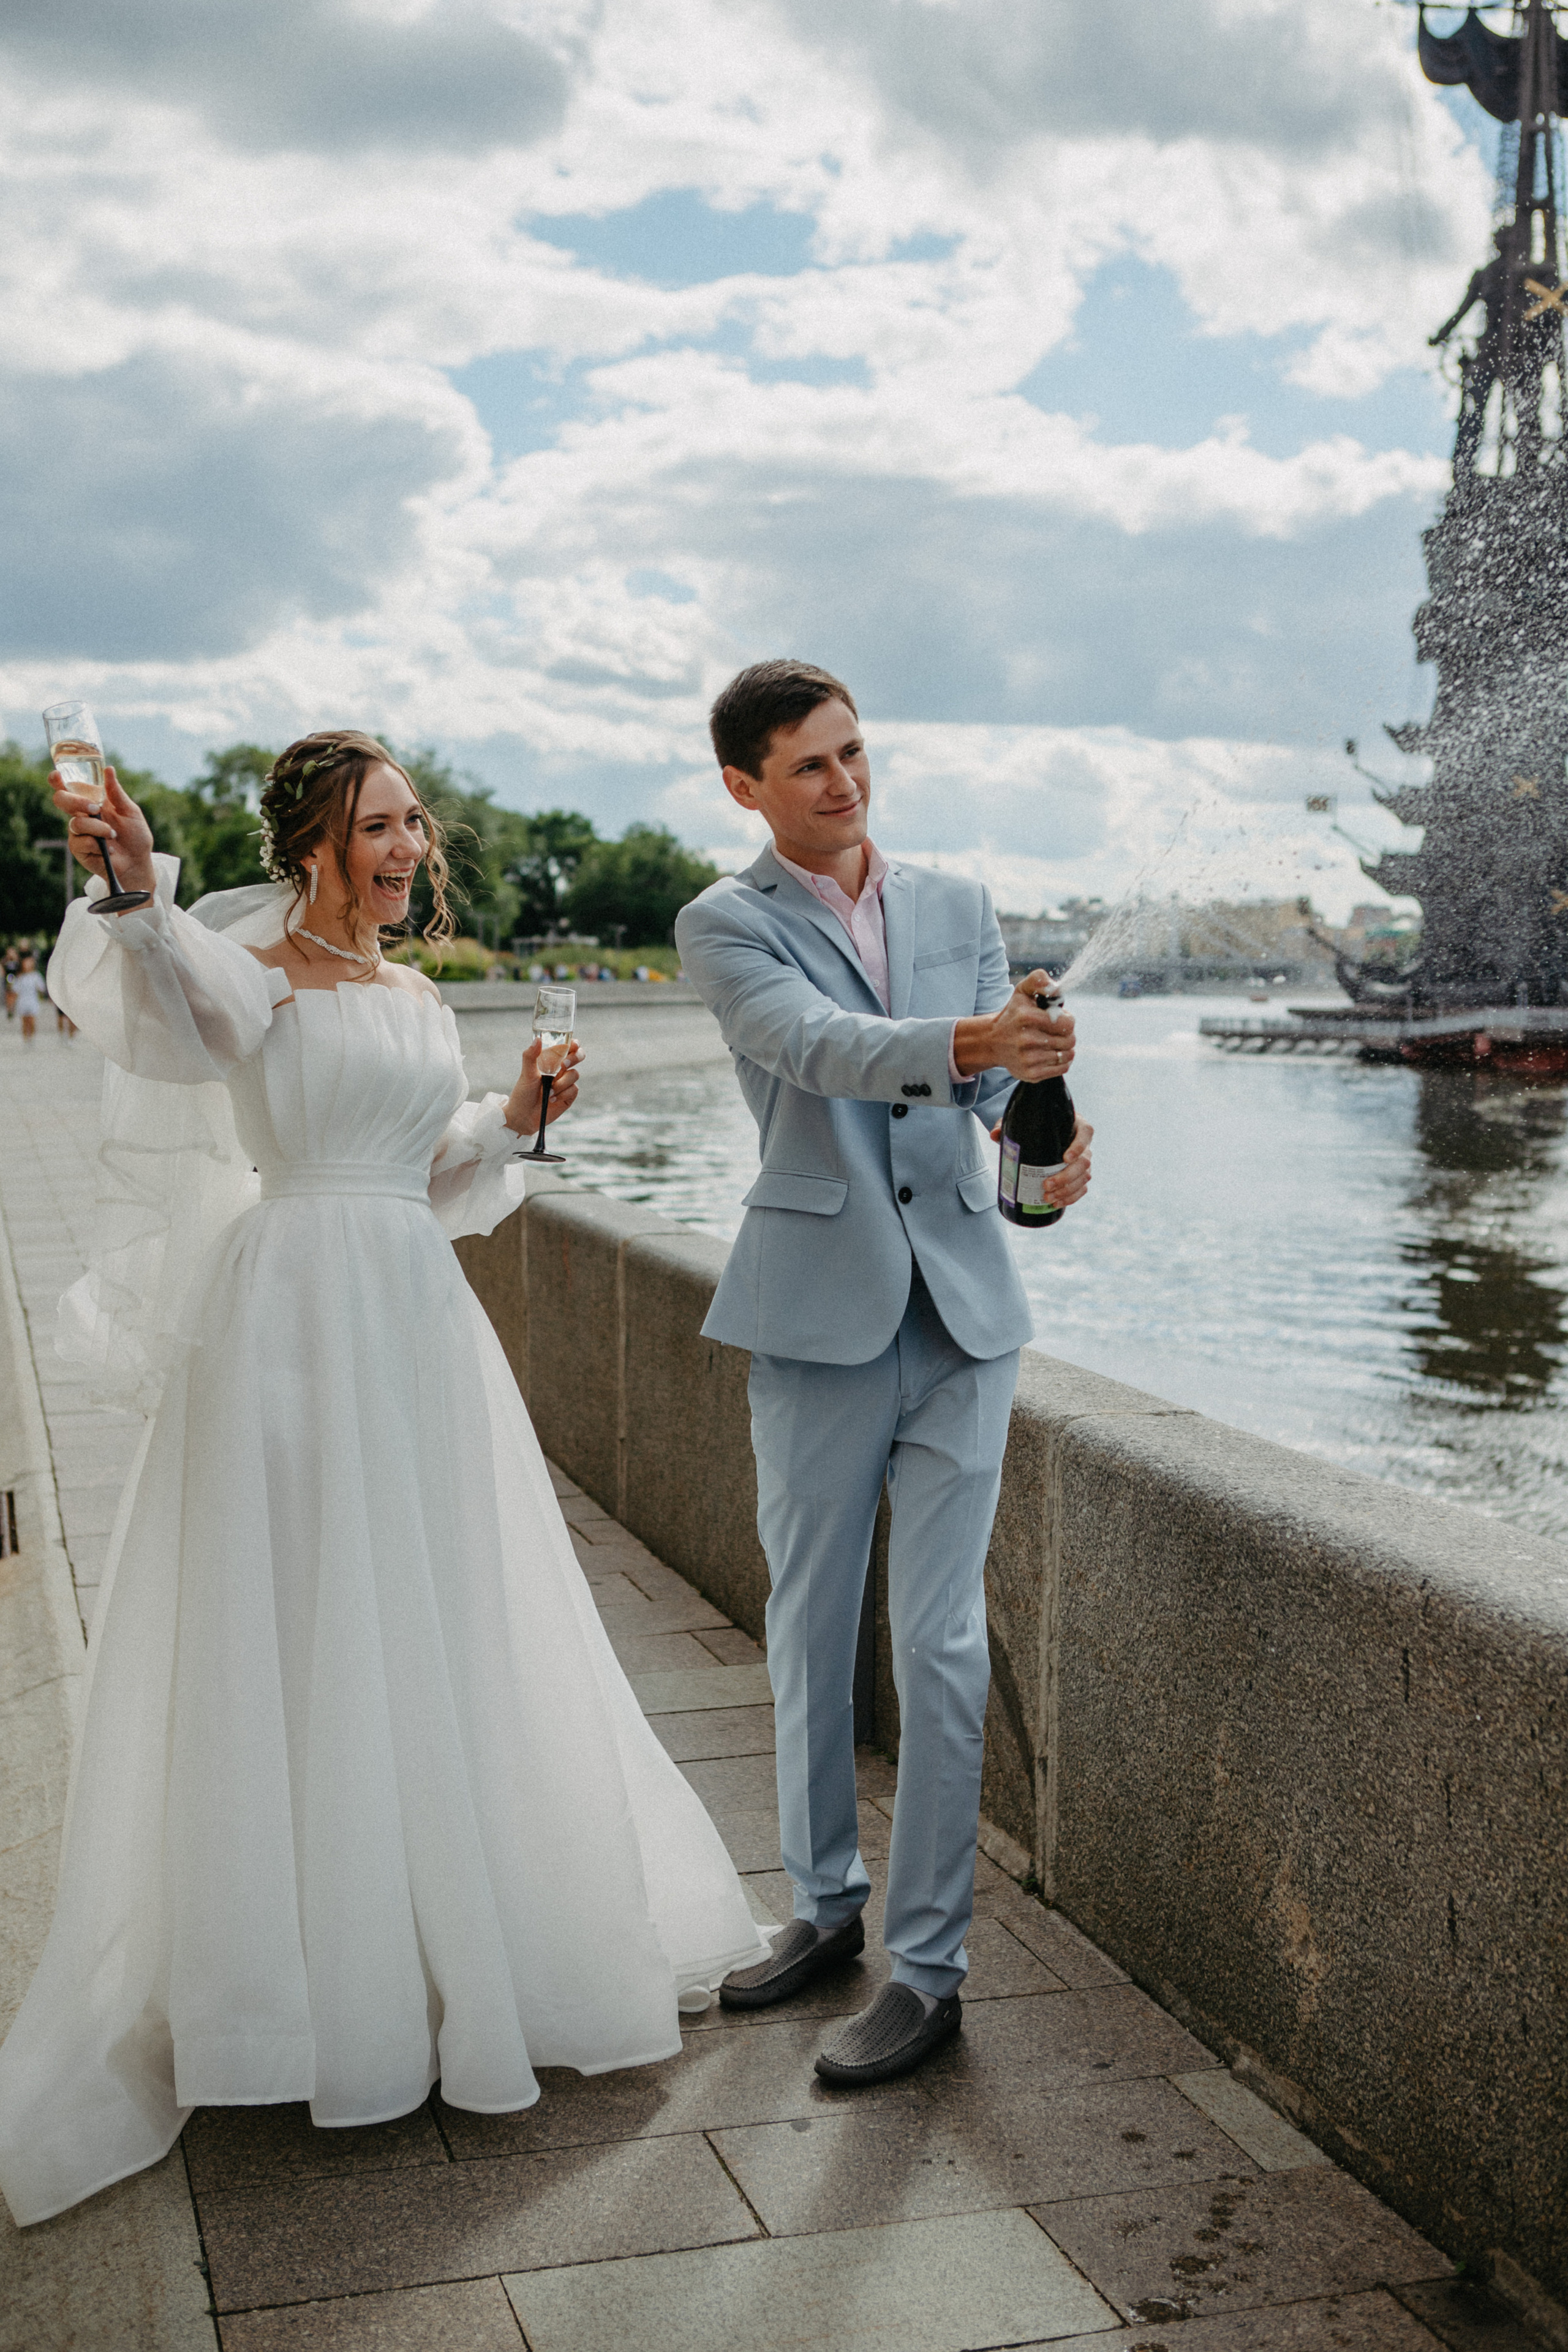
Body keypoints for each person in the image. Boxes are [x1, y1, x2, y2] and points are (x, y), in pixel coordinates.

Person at [0, 730, 766, 2229]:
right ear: (309, 844)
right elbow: (171, 999)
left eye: (414, 821)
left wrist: (519, 1120)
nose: (406, 847)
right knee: (300, 1626)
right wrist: (138, 882)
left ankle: (437, 1955)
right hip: (289, 1324)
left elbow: (426, 1166)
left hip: (415, 1319)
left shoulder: (416, 993)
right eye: (376, 825)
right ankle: (284, 1993)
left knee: (437, 1623)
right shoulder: (253, 973)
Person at [675, 662, 1091, 2087]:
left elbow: (991, 1112)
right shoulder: (723, 924)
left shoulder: (956, 905)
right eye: (808, 766)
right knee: (805, 1623)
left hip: (967, 1317)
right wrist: (976, 1042)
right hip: (814, 1318)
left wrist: (1040, 1146)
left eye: (853, 753)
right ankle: (821, 1906)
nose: (844, 783)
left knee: (938, 1645)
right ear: (745, 784)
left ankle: (925, 1968)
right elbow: (818, 1048)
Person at [12, 953, 44, 1041]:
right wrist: (12, 1005)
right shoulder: (20, 977)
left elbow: (42, 988)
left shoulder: (36, 976)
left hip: (32, 1001)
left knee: (32, 1021)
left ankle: (32, 1038)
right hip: (22, 1001)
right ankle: (25, 1039)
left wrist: (41, 993)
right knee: (25, 1022)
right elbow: (15, 990)